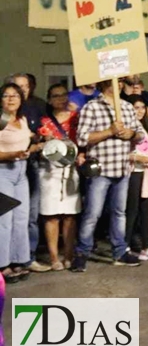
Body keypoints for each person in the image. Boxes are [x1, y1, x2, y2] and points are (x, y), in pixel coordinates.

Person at [73, 80, 145, 271]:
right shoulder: (92, 107)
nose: (119, 84)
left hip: (122, 168)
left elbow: (140, 135)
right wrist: (109, 131)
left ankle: (120, 251)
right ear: (106, 82)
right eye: (116, 81)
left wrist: (131, 134)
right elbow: (82, 137)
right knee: (92, 214)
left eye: (121, 81)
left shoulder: (127, 107)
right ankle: (82, 253)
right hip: (100, 169)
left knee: (119, 213)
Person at [36, 83, 82, 271]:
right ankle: (54, 257)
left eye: (64, 95)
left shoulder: (76, 118)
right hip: (49, 170)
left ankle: (69, 255)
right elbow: (37, 146)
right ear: (49, 100)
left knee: (70, 216)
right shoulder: (43, 121)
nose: (60, 99)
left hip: (71, 170)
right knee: (51, 215)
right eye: (55, 96)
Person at [0, 83, 40, 282]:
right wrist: (11, 154)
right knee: (4, 221)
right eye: (6, 95)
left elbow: (26, 143)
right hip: (3, 172)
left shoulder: (22, 119)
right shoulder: (1, 119)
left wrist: (39, 143)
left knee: (21, 218)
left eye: (15, 95)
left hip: (21, 172)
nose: (11, 99)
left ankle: (19, 260)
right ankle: (3, 265)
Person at [124, 96, 148, 262]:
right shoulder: (126, 128)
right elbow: (125, 152)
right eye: (136, 107)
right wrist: (144, 159)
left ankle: (147, 246)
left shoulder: (143, 126)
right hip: (133, 172)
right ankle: (125, 246)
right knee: (131, 211)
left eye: (142, 107)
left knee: (147, 210)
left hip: (147, 172)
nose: (139, 111)